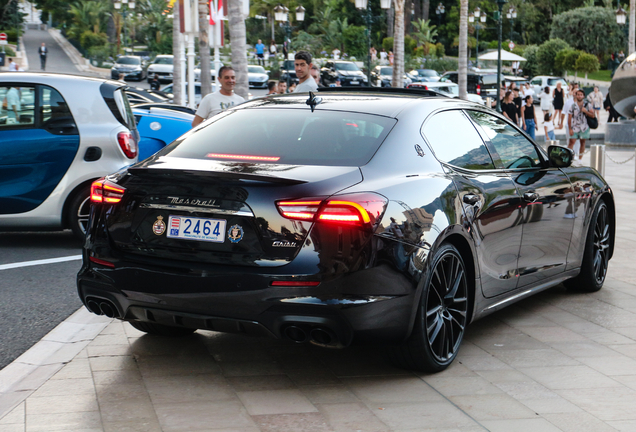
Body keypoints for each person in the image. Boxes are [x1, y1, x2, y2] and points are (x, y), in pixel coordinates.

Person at [568, 89, 595, 162]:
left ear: (583, 96)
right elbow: (569, 117)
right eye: (578, 94)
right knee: (571, 142)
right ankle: (568, 158)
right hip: (575, 127)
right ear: (576, 96)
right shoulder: (573, 106)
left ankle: (580, 159)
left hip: (584, 127)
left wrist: (585, 111)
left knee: (582, 142)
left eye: (581, 95)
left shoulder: (588, 105)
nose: (579, 96)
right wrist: (570, 128)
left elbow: (593, 115)